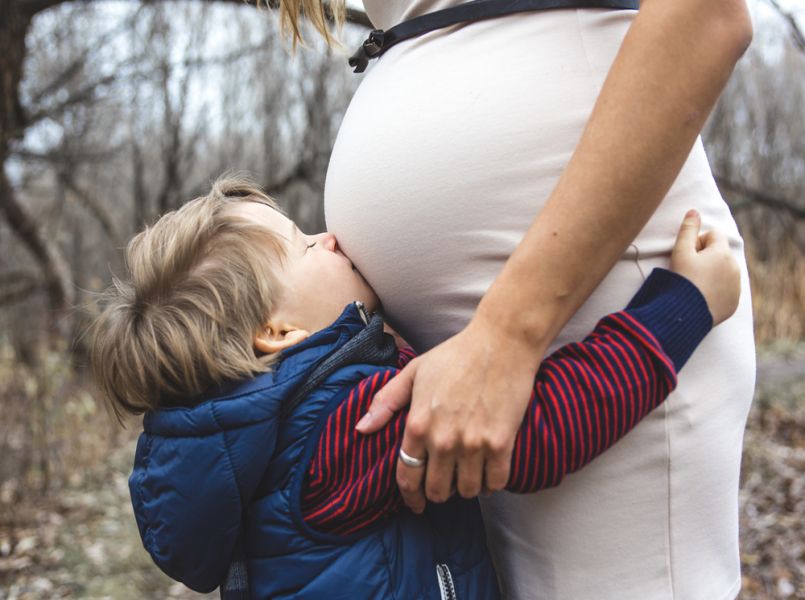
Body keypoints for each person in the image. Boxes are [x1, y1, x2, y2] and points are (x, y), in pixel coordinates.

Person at [287, 0, 758, 597]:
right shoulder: (320, 436)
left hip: (578, 321)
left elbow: (707, 14)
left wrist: (507, 334)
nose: (320, 240)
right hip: (469, 379)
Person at [91, 177, 739, 597]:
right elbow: (534, 429)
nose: (329, 237)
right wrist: (682, 307)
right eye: (303, 244)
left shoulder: (259, 439)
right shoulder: (344, 425)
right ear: (276, 332)